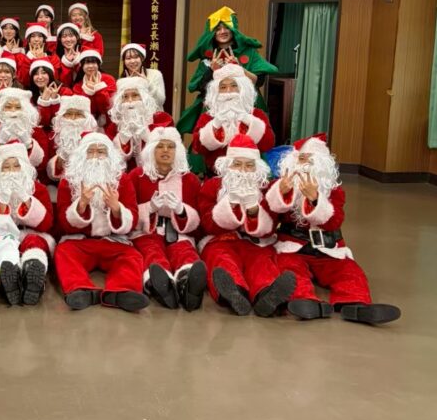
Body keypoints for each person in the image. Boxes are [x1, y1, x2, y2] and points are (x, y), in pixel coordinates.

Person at [266, 135, 402, 325]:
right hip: (293, 248)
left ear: (323, 165)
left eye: (311, 160)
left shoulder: (334, 192)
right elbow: (271, 214)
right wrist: (280, 192)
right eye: (301, 159)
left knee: (349, 271)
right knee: (290, 271)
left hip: (328, 249)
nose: (305, 166)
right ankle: (305, 301)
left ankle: (355, 304)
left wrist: (315, 199)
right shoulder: (282, 185)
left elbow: (334, 221)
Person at [197, 134, 297, 317]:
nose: (243, 170)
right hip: (221, 240)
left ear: (257, 168)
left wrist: (253, 211)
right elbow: (208, 224)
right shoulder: (212, 186)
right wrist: (232, 205)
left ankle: (267, 295)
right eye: (237, 164)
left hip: (256, 243)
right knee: (221, 259)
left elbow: (270, 227)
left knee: (262, 262)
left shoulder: (264, 189)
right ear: (227, 166)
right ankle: (234, 293)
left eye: (249, 165)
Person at [54, 132, 147, 312]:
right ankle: (80, 289)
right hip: (80, 242)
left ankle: (121, 291)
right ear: (82, 155)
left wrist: (116, 208)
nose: (96, 156)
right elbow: (64, 223)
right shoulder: (68, 181)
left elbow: (133, 217)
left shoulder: (122, 180)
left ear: (110, 155)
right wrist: (81, 205)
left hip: (113, 241)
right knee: (63, 252)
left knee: (132, 256)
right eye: (91, 151)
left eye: (101, 151)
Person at [131, 128, 207, 311]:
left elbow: (199, 221)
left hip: (178, 232)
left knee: (185, 251)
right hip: (147, 231)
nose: (165, 150)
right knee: (151, 251)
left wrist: (182, 211)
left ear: (178, 151)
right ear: (151, 150)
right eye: (160, 146)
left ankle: (187, 282)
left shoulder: (190, 180)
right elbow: (129, 211)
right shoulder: (137, 176)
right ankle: (161, 284)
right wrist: (149, 208)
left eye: (171, 146)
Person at [177, 5, 277, 136]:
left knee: (248, 141)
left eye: (226, 28)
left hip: (245, 109)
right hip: (215, 111)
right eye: (218, 29)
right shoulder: (207, 57)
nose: (222, 31)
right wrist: (211, 70)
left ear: (233, 30)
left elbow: (259, 82)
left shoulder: (249, 52)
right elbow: (200, 88)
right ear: (212, 33)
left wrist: (240, 69)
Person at [0, 141, 53, 306]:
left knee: (35, 243)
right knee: (2, 248)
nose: (11, 171)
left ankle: (32, 273)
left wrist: (25, 198)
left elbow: (46, 224)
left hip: (32, 234)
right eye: (6, 167)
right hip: (5, 237)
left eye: (16, 166)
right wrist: (3, 201)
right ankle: (10, 280)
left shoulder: (39, 189)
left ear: (24, 168)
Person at [191, 64, 274, 174]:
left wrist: (248, 120)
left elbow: (268, 144)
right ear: (216, 92)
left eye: (234, 86)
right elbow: (198, 147)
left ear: (243, 88)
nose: (228, 91)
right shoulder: (208, 117)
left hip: (250, 174)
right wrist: (215, 125)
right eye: (223, 87)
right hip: (217, 175)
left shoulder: (257, 114)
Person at [105, 76, 174, 167]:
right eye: (125, 97)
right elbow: (112, 157)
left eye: (135, 95)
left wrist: (146, 135)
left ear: (144, 98)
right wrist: (123, 139)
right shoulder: (114, 125)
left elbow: (168, 149)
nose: (130, 101)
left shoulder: (162, 119)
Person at [0, 87, 48, 171]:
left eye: (18, 107)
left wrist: (29, 143)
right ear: (1, 109)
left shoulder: (37, 131)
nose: (13, 111)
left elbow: (43, 164)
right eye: (8, 107)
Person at [46, 95, 98, 182]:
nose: (73, 118)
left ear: (87, 118)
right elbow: (45, 170)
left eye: (78, 115)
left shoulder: (94, 139)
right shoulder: (53, 137)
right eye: (68, 114)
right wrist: (58, 162)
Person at [71, 50, 116, 124]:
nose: (91, 66)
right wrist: (88, 91)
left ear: (98, 65)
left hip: (109, 121)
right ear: (82, 66)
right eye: (87, 63)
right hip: (86, 123)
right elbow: (83, 109)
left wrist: (99, 88)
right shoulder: (77, 86)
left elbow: (108, 106)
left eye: (94, 62)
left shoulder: (109, 79)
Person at [119, 43, 165, 110]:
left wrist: (147, 83)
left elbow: (160, 101)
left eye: (136, 57)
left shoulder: (155, 74)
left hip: (154, 115)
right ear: (124, 61)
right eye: (128, 58)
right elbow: (120, 106)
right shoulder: (122, 81)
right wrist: (128, 84)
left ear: (142, 58)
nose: (132, 61)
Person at [26, 58, 68, 129]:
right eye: (36, 74)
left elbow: (62, 120)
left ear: (50, 74)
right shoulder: (29, 96)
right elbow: (41, 124)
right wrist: (43, 102)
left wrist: (54, 100)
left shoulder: (64, 92)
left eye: (44, 73)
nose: (40, 77)